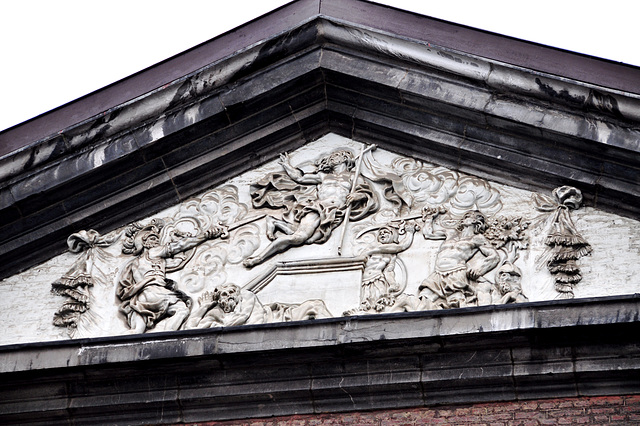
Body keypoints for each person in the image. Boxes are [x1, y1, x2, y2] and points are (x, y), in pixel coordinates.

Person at [243, 150, 377, 267]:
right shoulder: (324, 176)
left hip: (336, 212)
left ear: (345, 159)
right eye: (332, 157)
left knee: (310, 240)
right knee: (299, 237)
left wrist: (358, 195)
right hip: (319, 208)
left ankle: (275, 222)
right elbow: (300, 178)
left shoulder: (354, 177)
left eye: (337, 156)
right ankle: (259, 257)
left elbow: (366, 193)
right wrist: (287, 166)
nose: (333, 158)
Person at [117, 220, 225, 333]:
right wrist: (206, 235)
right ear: (144, 242)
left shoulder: (144, 263)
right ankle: (165, 336)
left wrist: (176, 239)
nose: (157, 241)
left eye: (157, 239)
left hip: (141, 297)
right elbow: (180, 246)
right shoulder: (153, 252)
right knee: (182, 309)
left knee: (136, 331)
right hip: (155, 292)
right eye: (153, 238)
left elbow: (177, 262)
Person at [418, 208, 499, 309]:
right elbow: (428, 234)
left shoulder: (477, 238)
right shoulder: (451, 233)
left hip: (456, 273)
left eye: (468, 217)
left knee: (456, 304)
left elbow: (494, 256)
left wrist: (479, 270)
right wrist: (429, 219)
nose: (463, 219)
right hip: (438, 273)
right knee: (425, 298)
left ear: (475, 221)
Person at [186, 283, 332, 328]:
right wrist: (204, 306)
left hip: (279, 316)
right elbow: (190, 329)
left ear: (238, 294)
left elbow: (247, 318)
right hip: (270, 327)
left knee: (315, 306)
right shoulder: (216, 313)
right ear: (218, 299)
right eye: (224, 294)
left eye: (231, 292)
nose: (228, 296)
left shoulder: (247, 297)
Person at [353, 222, 417, 313]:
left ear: (392, 235)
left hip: (378, 279)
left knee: (379, 304)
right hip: (365, 281)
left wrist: (392, 284)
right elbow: (401, 246)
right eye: (380, 233)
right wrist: (409, 232)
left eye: (385, 232)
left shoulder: (390, 256)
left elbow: (389, 271)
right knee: (366, 303)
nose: (382, 234)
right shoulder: (373, 247)